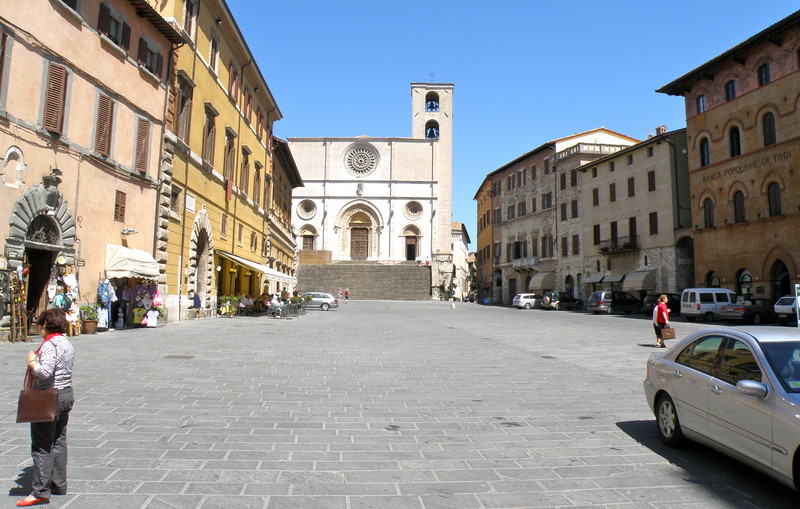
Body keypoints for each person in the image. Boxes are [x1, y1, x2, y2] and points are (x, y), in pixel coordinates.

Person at [18, 308, 75, 507]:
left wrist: (32, 362)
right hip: (65, 393)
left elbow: (45, 373)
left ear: (45, 324)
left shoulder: (51, 345)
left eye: (41, 324)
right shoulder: (66, 342)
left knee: (42, 444)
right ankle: (58, 484)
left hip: (49, 397)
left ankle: (40, 491)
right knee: (59, 440)